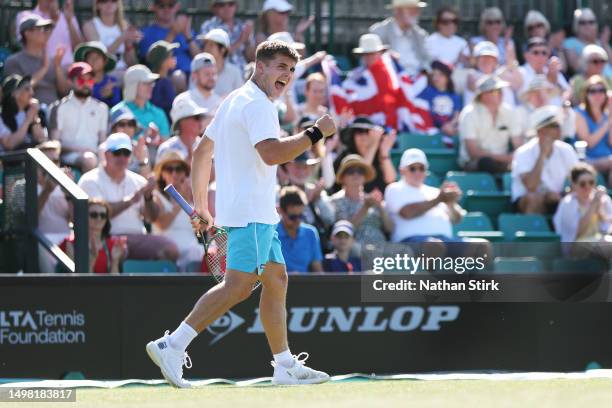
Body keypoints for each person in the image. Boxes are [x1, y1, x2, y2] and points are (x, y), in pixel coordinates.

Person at [145, 40, 334, 387]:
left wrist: (202, 205)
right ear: (259, 66)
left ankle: (284, 365)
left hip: (255, 212)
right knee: (239, 286)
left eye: (291, 70)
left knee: (276, 280)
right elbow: (273, 153)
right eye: (280, 67)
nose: (287, 76)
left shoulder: (234, 99)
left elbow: (202, 152)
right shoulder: (258, 105)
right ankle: (172, 344)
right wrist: (315, 132)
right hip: (251, 213)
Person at [78, 132, 179, 261]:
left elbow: (151, 217)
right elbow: (99, 214)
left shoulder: (138, 181)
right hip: (105, 237)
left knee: (170, 250)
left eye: (126, 153)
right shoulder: (89, 180)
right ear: (106, 155)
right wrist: (131, 200)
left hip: (137, 237)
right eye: (117, 153)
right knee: (118, 251)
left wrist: (148, 198)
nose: (122, 158)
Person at [384, 148, 464, 243]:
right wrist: (439, 199)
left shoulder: (436, 192)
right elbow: (407, 213)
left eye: (421, 168)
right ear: (402, 171)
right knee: (434, 245)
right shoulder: (394, 188)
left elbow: (456, 219)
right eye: (412, 168)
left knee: (480, 246)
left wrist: (451, 203)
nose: (418, 172)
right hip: (409, 243)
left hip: (444, 241)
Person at [511, 106, 579, 214]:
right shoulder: (523, 152)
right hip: (529, 199)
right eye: (554, 125)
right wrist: (542, 154)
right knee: (533, 198)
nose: (559, 128)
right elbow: (531, 186)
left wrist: (566, 194)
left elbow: (578, 177)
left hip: (557, 197)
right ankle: (533, 229)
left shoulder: (566, 149)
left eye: (559, 124)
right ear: (541, 130)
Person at [49, 62, 109, 173]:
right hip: (68, 156)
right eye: (81, 80)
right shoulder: (59, 107)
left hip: (95, 155)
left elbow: (102, 140)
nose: (86, 84)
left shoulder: (102, 108)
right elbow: (54, 143)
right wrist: (78, 149)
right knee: (89, 159)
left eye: (89, 80)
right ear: (70, 81)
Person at [458, 75, 523, 173]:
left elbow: (518, 144)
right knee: (486, 163)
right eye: (497, 91)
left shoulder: (509, 112)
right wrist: (505, 158)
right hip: (475, 163)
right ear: (484, 95)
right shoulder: (469, 113)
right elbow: (473, 152)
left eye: (501, 91)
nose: (501, 94)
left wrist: (516, 157)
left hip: (503, 162)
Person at [153, 149, 205, 271]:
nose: (174, 173)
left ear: (184, 173)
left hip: (193, 253)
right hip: (167, 253)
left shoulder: (193, 198)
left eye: (179, 169)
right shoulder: (156, 196)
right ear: (162, 174)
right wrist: (181, 200)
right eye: (169, 169)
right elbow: (162, 224)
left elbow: (200, 229)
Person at [5, 14, 70, 107]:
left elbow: (64, 92)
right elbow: (18, 92)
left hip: (55, 114)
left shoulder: (53, 61)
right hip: (30, 114)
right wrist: (44, 69)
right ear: (27, 33)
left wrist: (57, 66)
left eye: (46, 29)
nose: (45, 33)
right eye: (40, 29)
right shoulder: (14, 61)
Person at [330, 154, 393, 251]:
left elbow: (390, 229)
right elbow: (344, 232)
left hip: (381, 246)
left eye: (360, 171)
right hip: (355, 248)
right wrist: (365, 208)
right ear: (343, 177)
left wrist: (380, 207)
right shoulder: (335, 201)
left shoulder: (371, 199)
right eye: (351, 171)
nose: (356, 174)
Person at [553, 163, 611, 253]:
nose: (588, 187)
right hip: (576, 246)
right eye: (582, 184)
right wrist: (593, 206)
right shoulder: (568, 203)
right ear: (574, 184)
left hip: (600, 242)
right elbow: (577, 233)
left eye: (591, 182)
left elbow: (608, 227)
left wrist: (599, 208)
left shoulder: (603, 199)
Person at [138, 0, 200, 82]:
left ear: (177, 7)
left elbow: (200, 58)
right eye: (162, 5)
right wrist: (172, 33)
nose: (166, 9)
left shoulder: (188, 31)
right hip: (167, 78)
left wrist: (188, 35)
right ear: (154, 7)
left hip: (194, 76)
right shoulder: (147, 33)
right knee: (179, 77)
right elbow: (153, 63)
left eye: (171, 5)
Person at [60, 198, 128, 274]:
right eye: (94, 215)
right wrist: (92, 261)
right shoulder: (71, 244)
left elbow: (115, 282)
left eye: (103, 215)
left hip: (106, 285)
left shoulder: (113, 244)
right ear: (84, 216)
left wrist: (115, 260)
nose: (99, 218)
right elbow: (80, 282)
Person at [334, 117, 397, 193]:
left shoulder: (379, 155)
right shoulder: (346, 156)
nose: (363, 136)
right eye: (359, 132)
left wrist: (384, 153)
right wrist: (374, 144)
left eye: (367, 131)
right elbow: (362, 174)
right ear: (352, 136)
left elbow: (391, 180)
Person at [369, 0, 430, 76]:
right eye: (412, 10)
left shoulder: (420, 35)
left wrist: (424, 72)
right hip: (391, 81)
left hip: (418, 82)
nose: (417, 13)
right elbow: (371, 63)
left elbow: (426, 60)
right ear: (398, 11)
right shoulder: (379, 32)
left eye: (417, 10)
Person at [15, 0, 83, 68]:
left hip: (68, 70)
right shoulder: (25, 16)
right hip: (40, 70)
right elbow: (27, 46)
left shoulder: (68, 16)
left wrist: (69, 22)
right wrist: (53, 21)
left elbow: (78, 47)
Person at [111, 64, 171, 140]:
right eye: (146, 83)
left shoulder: (159, 113)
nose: (151, 86)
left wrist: (157, 138)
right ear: (133, 86)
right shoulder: (117, 112)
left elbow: (166, 146)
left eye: (151, 83)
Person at [82, 0, 141, 72]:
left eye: (113, 0)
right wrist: (122, 38)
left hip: (123, 70)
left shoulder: (124, 25)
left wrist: (129, 45)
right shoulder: (90, 25)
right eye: (104, 1)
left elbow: (131, 63)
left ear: (118, 4)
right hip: (103, 73)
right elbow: (100, 57)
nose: (109, 4)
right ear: (97, 5)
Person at [574, 75, 612, 186]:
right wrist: (608, 123)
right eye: (593, 91)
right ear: (586, 94)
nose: (598, 94)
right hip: (588, 160)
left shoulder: (607, 114)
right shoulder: (579, 113)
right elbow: (589, 143)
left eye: (601, 90)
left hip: (607, 159)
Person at [276, 186, 324, 273]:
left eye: (301, 216)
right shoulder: (271, 234)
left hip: (305, 285)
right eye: (293, 217)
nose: (298, 221)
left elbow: (318, 270)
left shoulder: (311, 233)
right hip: (277, 285)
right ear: (281, 211)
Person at [199, 0, 255, 73]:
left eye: (231, 4)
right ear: (214, 7)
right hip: (219, 73)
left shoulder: (242, 26)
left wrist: (247, 41)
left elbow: (251, 58)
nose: (227, 8)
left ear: (236, 6)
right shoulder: (208, 26)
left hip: (244, 72)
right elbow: (212, 55)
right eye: (222, 4)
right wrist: (240, 41)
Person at [516, 75, 575, 141]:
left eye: (544, 92)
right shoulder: (520, 112)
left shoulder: (556, 111)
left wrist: (565, 117)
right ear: (529, 96)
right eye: (536, 92)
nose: (540, 96)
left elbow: (566, 136)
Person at [464, 40, 522, 107]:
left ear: (496, 61)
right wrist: (504, 71)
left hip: (506, 116)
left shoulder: (503, 73)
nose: (487, 60)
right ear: (476, 60)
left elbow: (518, 84)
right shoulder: (472, 75)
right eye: (483, 57)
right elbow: (480, 85)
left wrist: (512, 66)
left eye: (491, 57)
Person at [416, 60, 462, 142]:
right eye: (434, 74)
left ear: (448, 78)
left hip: (448, 133)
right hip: (429, 132)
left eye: (440, 75)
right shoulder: (427, 92)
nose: (436, 78)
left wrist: (450, 125)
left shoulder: (454, 96)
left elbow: (457, 115)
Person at [0, 75, 47, 152]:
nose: (32, 93)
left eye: (31, 88)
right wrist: (28, 120)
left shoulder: (34, 112)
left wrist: (34, 117)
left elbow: (42, 140)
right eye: (27, 89)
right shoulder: (2, 118)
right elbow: (9, 144)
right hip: (11, 162)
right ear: (14, 93)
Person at [518, 37, 569, 107]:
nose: (540, 56)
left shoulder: (552, 70)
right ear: (526, 55)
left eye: (544, 53)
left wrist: (555, 81)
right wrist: (549, 80)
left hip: (557, 114)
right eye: (536, 52)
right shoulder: (520, 72)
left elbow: (567, 91)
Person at [563, 8, 612, 77]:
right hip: (594, 84)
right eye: (583, 23)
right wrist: (589, 43)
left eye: (591, 22)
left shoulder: (600, 42)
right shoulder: (570, 42)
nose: (587, 26)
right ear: (576, 25)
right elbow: (576, 67)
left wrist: (604, 43)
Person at [157, 96, 208, 162]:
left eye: (201, 117)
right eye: (197, 117)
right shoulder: (166, 149)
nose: (200, 121)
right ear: (182, 122)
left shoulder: (206, 146)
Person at [74, 41, 121, 107]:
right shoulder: (79, 81)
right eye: (90, 57)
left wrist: (110, 96)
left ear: (105, 61)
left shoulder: (112, 82)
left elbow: (117, 107)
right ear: (85, 61)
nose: (94, 60)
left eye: (98, 57)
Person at [198, 28, 244, 96]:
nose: (206, 48)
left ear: (223, 50)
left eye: (211, 45)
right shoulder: (198, 70)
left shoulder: (235, 72)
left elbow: (240, 99)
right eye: (206, 45)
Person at [147, 40, 179, 119]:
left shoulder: (156, 82)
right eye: (171, 56)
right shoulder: (164, 83)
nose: (174, 58)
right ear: (163, 62)